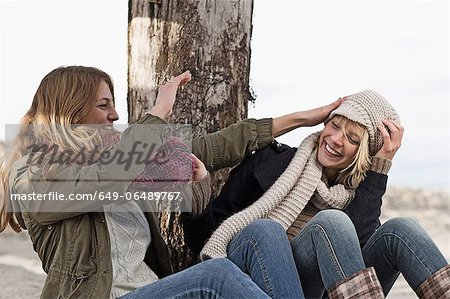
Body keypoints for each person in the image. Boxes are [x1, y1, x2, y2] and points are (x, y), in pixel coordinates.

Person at [0, 65, 311, 298]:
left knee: (264, 233)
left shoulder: (115, 161)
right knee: (217, 276)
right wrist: (158, 112)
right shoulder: (32, 174)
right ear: (71, 111)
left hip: (152, 291)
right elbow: (106, 179)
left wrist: (302, 119)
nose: (115, 114)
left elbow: (210, 148)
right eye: (103, 105)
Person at [183, 90, 450, 298]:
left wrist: (379, 171)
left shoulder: (361, 193)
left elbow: (354, 258)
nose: (335, 139)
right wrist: (199, 194)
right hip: (258, 279)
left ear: (364, 154)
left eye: (353, 139)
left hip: (326, 292)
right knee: (330, 222)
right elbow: (208, 240)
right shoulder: (270, 161)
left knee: (401, 229)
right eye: (334, 125)